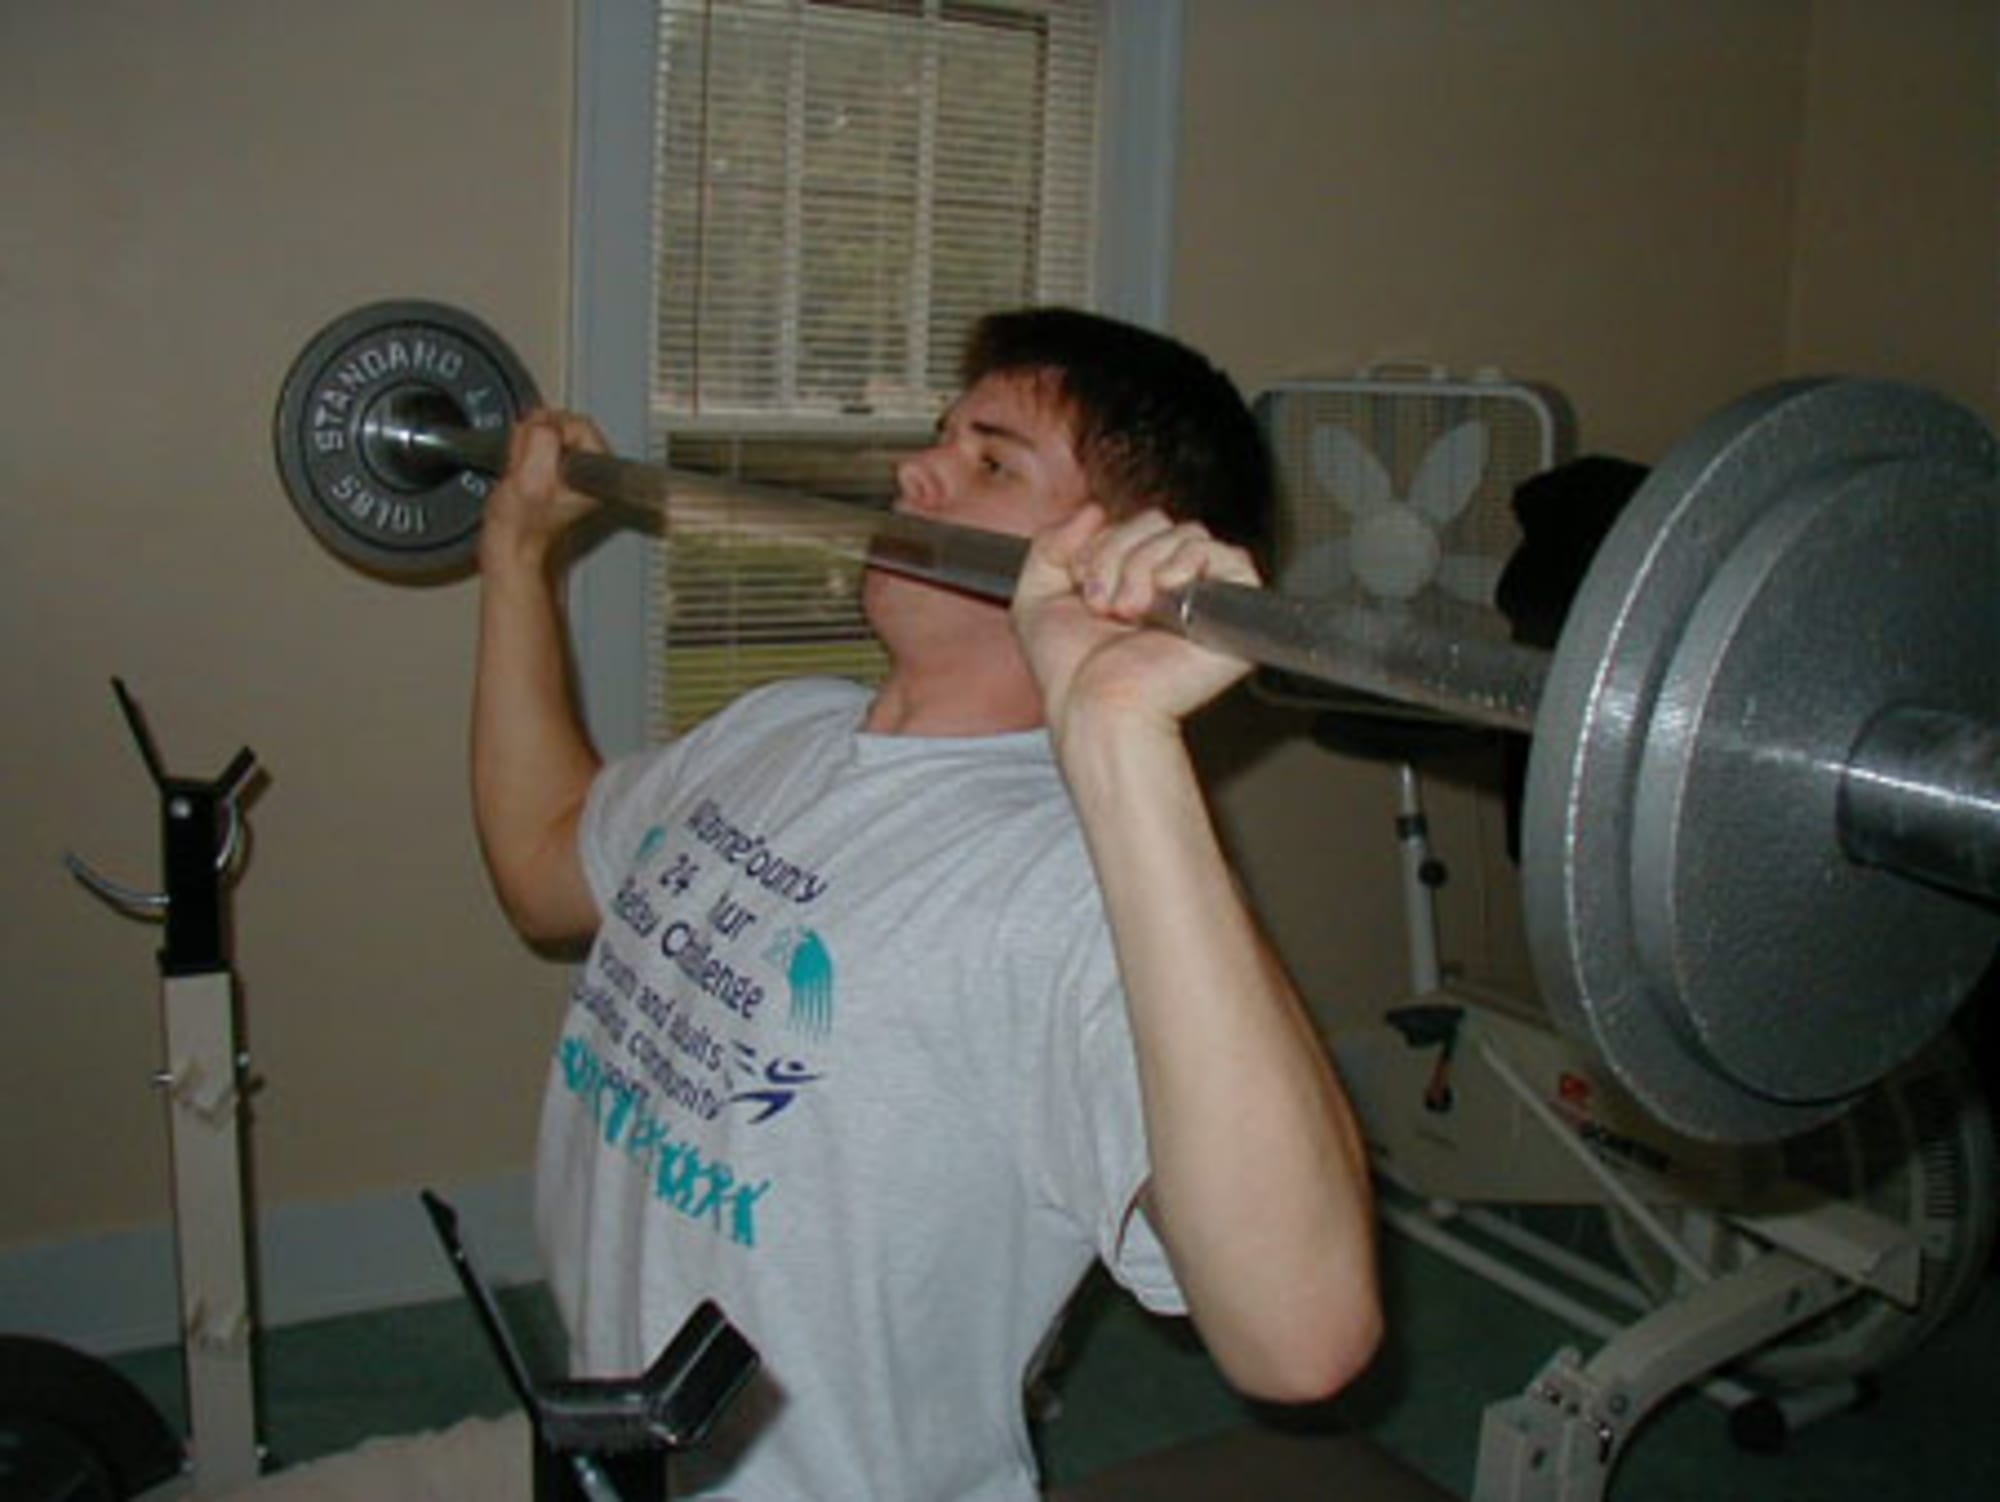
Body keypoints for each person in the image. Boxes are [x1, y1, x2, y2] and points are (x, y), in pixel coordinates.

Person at [244, 308, 1381, 1502]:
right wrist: (514, 561)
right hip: (599, 1441)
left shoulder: (1069, 883)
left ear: (1118, 561)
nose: (917, 470)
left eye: (991, 460)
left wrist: (1117, 729)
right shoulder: (780, 724)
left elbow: (1301, 1335)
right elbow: (541, 868)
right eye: (942, 435)